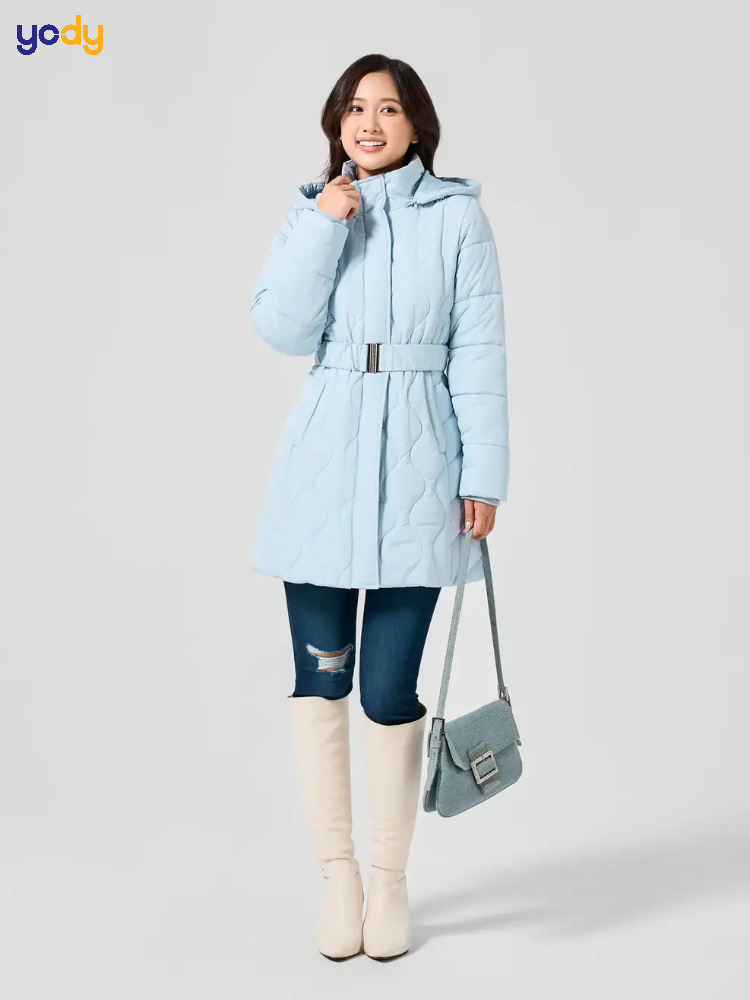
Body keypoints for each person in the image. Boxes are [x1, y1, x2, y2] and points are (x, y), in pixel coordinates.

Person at [250, 53, 509, 962]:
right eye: (355, 108)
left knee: (390, 690)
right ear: (337, 123)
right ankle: (339, 880)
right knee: (321, 679)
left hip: (423, 467)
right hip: (322, 467)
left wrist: (484, 478)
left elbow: (480, 351)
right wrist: (326, 223)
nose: (369, 122)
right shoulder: (315, 209)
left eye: (388, 108)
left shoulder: (459, 218)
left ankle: (391, 881)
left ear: (416, 124)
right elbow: (280, 328)